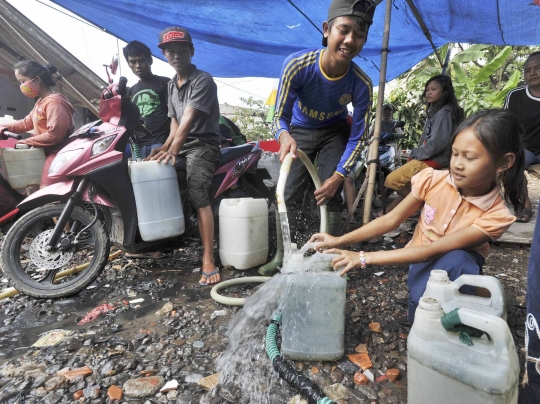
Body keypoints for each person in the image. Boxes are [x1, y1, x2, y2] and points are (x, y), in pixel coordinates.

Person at [310, 109, 524, 323]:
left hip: (450, 264)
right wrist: (339, 240)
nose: (457, 163)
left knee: (458, 264)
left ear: (504, 163)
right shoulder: (433, 180)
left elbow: (432, 251)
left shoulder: (496, 215)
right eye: (455, 153)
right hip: (418, 259)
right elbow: (391, 219)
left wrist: (362, 258)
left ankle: (467, 304)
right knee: (421, 306)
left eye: (469, 157)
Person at [272, 0, 375, 236]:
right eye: (344, 30)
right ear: (327, 29)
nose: (350, 40)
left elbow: (359, 139)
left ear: (364, 40)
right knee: (287, 192)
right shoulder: (297, 66)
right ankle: (285, 253)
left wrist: (339, 176)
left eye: (359, 35)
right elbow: (279, 116)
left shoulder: (362, 84)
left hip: (334, 131)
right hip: (299, 129)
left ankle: (331, 255)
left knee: (330, 193)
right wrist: (284, 136)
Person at [148, 27, 221, 286]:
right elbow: (175, 122)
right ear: (165, 54)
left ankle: (208, 258)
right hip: (182, 141)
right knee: (154, 172)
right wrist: (165, 146)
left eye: (181, 49)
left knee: (198, 194)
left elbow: (189, 118)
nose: (176, 54)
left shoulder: (203, 79)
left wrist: (173, 149)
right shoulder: (171, 85)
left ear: (191, 51)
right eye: (170, 50)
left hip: (203, 144)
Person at [381, 75, 464, 215]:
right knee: (408, 185)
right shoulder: (437, 111)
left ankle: (428, 208)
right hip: (434, 156)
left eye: (433, 89)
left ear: (444, 93)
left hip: (437, 158)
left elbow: (437, 144)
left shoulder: (443, 113)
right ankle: (387, 213)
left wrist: (415, 153)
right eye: (427, 89)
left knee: (391, 180)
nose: (428, 92)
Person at [0, 61, 75, 188]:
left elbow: (55, 135)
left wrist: (25, 142)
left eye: (23, 81)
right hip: (44, 152)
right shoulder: (41, 102)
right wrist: (4, 128)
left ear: (37, 80)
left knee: (46, 194)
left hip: (57, 154)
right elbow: (25, 123)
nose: (22, 86)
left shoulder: (54, 103)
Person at [343, 103, 399, 223]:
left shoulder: (393, 123)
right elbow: (368, 136)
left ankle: (356, 215)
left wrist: (395, 135)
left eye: (389, 111)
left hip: (387, 147)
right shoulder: (375, 122)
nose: (387, 113)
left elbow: (401, 133)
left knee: (350, 178)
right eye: (385, 111)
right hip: (374, 148)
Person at [503, 51, 540, 223]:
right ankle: (525, 205)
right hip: (525, 148)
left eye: (538, 68)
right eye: (528, 70)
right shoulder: (515, 96)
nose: (532, 73)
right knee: (512, 163)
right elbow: (505, 124)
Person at [123, 40, 171, 159]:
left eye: (141, 60)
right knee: (139, 177)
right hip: (138, 146)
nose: (138, 66)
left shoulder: (165, 83)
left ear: (150, 60)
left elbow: (175, 114)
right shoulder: (130, 91)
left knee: (161, 177)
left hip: (161, 143)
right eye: (133, 62)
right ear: (128, 63)